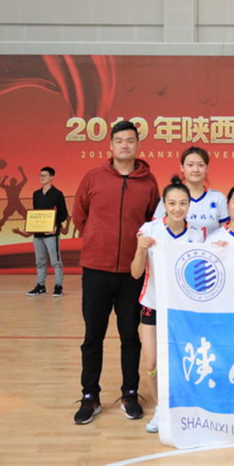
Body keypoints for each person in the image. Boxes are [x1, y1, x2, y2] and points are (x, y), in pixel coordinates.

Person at [71, 120, 160, 425]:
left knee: (130, 336)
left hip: (132, 274)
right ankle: (89, 396)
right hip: (96, 270)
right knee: (92, 336)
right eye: (119, 140)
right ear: (111, 145)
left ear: (137, 145)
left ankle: (130, 393)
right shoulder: (93, 177)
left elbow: (151, 222)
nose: (124, 145)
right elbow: (80, 216)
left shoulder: (149, 183)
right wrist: (99, 240)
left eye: (130, 140)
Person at [131, 176, 204, 434]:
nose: (177, 208)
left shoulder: (196, 235)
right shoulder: (149, 230)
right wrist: (140, 250)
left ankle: (184, 407)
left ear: (189, 205)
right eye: (172, 203)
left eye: (183, 203)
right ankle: (160, 408)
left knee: (182, 361)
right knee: (151, 363)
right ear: (164, 204)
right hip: (152, 305)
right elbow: (135, 273)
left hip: (181, 309)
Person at [153, 146, 228, 237]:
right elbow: (155, 229)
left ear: (206, 168)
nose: (195, 170)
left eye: (200, 165)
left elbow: (225, 233)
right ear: (182, 167)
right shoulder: (170, 196)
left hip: (211, 246)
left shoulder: (218, 198)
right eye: (190, 165)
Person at [25, 167, 69, 298]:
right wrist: (32, 226)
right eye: (40, 176)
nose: (41, 178)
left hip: (51, 234)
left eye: (44, 175)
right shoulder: (36, 194)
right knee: (40, 261)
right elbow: (36, 214)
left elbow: (63, 213)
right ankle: (40, 286)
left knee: (56, 262)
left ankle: (58, 286)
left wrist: (55, 225)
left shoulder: (57, 194)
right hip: (38, 234)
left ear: (51, 177)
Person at [0, 166, 29, 236]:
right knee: (4, 218)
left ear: (13, 182)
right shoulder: (13, 187)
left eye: (13, 181)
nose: (12, 182)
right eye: (12, 181)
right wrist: (21, 171)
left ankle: (29, 229)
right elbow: (1, 185)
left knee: (26, 216)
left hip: (16, 204)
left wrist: (5, 178)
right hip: (13, 204)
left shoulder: (12, 187)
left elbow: (25, 180)